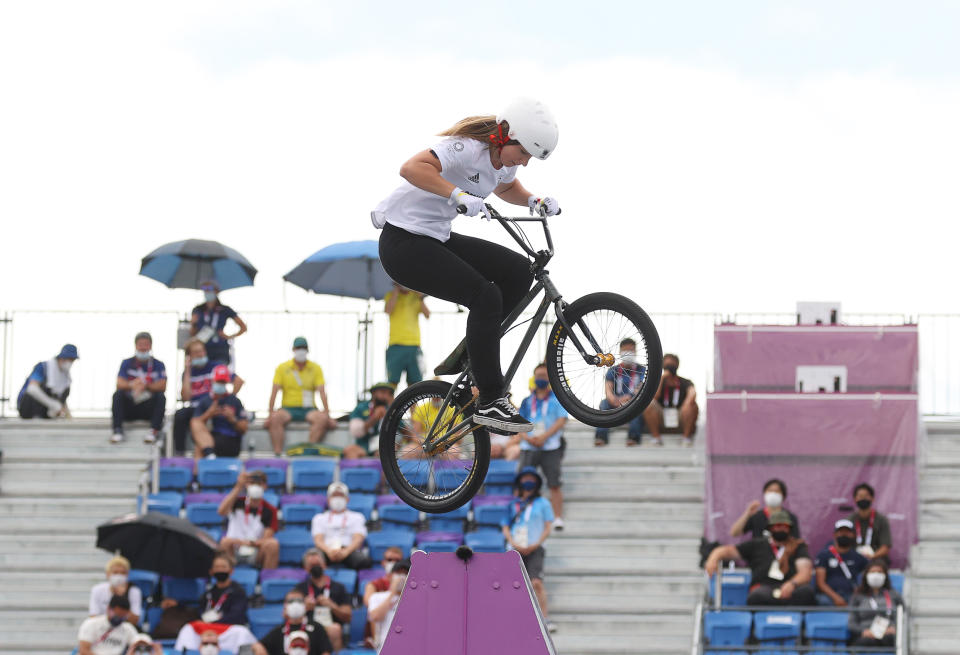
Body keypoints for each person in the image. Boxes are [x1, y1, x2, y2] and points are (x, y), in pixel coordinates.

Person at [373, 98, 560, 434]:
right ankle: (490, 397)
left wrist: (533, 199)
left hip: (435, 238)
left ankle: (476, 364)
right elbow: (411, 168)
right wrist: (456, 194)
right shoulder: (464, 148)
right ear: (505, 136)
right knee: (485, 295)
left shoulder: (505, 162)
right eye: (524, 153)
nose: (525, 162)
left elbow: (504, 186)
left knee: (518, 271)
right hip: (403, 243)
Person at [704, 509, 815, 606]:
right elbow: (727, 551)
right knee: (756, 596)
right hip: (764, 589)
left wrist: (792, 584)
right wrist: (713, 558)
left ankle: (795, 624)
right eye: (777, 526)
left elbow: (805, 573)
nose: (781, 529)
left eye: (784, 526)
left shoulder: (798, 546)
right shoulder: (757, 545)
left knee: (807, 593)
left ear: (790, 528)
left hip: (791, 589)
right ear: (770, 528)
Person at [500, 466, 556, 632]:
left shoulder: (543, 503)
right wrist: (513, 543)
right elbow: (505, 526)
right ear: (519, 482)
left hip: (535, 547)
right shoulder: (513, 504)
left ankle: (545, 619)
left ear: (537, 483)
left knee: (536, 582)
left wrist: (536, 544)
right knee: (512, 584)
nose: (528, 482)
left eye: (531, 478)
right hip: (514, 549)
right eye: (525, 479)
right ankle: (512, 617)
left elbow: (548, 526)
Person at [517, 363, 568, 530]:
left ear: (550, 378)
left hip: (550, 447)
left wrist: (544, 437)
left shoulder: (556, 399)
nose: (541, 379)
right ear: (533, 378)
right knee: (523, 483)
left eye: (544, 376)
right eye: (538, 376)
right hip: (528, 447)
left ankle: (557, 518)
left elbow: (561, 420)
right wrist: (529, 438)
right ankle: (521, 517)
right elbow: (519, 423)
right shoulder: (526, 401)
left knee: (554, 483)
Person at [265, 337, 338, 455]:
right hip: (288, 408)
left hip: (309, 409)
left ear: (307, 350)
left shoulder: (316, 368)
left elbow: (322, 393)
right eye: (299, 348)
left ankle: (308, 451)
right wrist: (270, 414)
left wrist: (327, 415)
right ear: (293, 349)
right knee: (275, 419)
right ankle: (278, 453)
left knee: (321, 419)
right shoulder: (282, 368)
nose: (301, 350)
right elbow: (274, 392)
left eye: (303, 348)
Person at [173, 339, 245, 456]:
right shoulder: (188, 373)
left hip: (213, 404)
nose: (200, 354)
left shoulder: (216, 367)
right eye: (196, 352)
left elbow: (238, 381)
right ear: (189, 356)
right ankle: (179, 452)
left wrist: (229, 399)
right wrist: (187, 370)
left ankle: (209, 450)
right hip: (196, 408)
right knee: (181, 415)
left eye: (202, 351)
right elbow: (186, 397)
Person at [160, 551, 248, 625]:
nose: (220, 570)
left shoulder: (238, 592)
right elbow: (198, 610)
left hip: (229, 628)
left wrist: (214, 622)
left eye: (223, 567)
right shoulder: (209, 593)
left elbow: (236, 615)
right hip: (208, 628)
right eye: (217, 567)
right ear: (211, 572)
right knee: (188, 629)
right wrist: (178, 605)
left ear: (231, 571)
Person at [111, 332, 167, 444]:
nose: (143, 348)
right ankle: (117, 430)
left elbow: (162, 385)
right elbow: (119, 384)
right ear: (135, 346)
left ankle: (153, 431)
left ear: (150, 346)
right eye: (140, 344)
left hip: (147, 408)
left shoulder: (158, 364)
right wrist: (133, 384)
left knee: (161, 397)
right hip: (131, 406)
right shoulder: (126, 363)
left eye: (146, 344)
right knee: (118, 395)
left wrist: (145, 385)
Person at [217, 471, 280, 569]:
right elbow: (221, 512)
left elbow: (267, 537)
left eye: (259, 484)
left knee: (273, 544)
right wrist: (238, 487)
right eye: (252, 483)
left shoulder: (270, 510)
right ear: (247, 485)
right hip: (234, 547)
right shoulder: (236, 502)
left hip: (255, 549)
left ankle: (267, 578)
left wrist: (251, 543)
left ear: (265, 486)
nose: (255, 486)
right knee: (225, 542)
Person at [293, 549, 352, 651]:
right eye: (312, 565)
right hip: (307, 626)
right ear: (306, 568)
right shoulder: (300, 589)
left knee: (335, 629)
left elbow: (348, 616)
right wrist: (303, 608)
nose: (316, 567)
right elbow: (288, 615)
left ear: (324, 565)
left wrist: (332, 606)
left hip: (330, 626)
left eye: (318, 564)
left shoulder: (338, 587)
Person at [594, 339, 647, 446]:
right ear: (620, 352)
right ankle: (601, 436)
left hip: (632, 401)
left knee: (638, 406)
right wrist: (612, 399)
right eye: (625, 350)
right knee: (604, 404)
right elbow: (608, 388)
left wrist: (629, 398)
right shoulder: (613, 370)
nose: (628, 353)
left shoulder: (642, 370)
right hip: (615, 402)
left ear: (635, 352)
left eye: (630, 350)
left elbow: (641, 388)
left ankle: (633, 437)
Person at [190, 365, 249, 460]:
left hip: (231, 441)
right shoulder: (205, 401)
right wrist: (209, 414)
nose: (221, 384)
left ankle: (209, 455)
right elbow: (195, 425)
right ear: (213, 381)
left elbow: (244, 428)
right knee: (199, 443)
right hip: (211, 439)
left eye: (223, 382)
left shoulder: (234, 401)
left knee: (200, 447)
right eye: (219, 381)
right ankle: (209, 457)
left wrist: (232, 419)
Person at [310, 482, 372, 569]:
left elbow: (358, 539)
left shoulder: (357, 517)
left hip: (348, 551)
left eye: (341, 495)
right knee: (310, 559)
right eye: (334, 495)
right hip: (326, 550)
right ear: (328, 499)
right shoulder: (319, 518)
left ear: (347, 499)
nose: (337, 498)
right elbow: (318, 540)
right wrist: (329, 551)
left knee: (364, 561)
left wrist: (345, 552)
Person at [253, 589, 333, 655]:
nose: (295, 604)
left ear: (305, 604)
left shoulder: (317, 628)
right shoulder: (279, 630)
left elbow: (326, 651)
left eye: (299, 601)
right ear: (285, 605)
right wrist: (259, 648)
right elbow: (258, 645)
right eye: (291, 601)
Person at [642, 353, 698, 446]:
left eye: (672, 365)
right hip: (662, 418)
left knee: (692, 405)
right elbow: (654, 397)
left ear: (677, 365)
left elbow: (693, 393)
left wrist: (686, 404)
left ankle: (686, 438)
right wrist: (662, 378)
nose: (669, 367)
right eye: (666, 365)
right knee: (649, 403)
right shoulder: (659, 382)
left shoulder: (685, 382)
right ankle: (656, 438)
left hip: (680, 417)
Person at [848, 559, 903, 648]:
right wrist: (863, 631)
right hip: (865, 635)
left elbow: (902, 617)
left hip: (888, 635)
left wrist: (893, 628)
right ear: (866, 575)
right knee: (863, 642)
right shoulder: (857, 596)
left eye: (880, 572)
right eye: (873, 572)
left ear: (885, 575)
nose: (876, 575)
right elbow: (851, 623)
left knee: (890, 640)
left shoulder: (894, 594)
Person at [384, 282, 430, 388]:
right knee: (392, 383)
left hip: (414, 345)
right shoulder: (390, 295)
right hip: (395, 344)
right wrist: (396, 291)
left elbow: (427, 314)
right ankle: (392, 405)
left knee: (414, 384)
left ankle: (412, 405)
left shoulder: (416, 297)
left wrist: (419, 295)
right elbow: (388, 311)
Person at [190, 280, 247, 366]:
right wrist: (193, 324)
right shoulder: (198, 309)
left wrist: (229, 336)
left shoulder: (224, 309)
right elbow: (192, 333)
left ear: (216, 291)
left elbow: (243, 327)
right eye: (204, 288)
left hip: (220, 349)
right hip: (202, 349)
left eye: (209, 288)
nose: (207, 291)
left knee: (219, 374)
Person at [814, 519, 869, 606]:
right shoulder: (823, 555)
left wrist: (859, 589)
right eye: (841, 532)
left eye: (847, 532)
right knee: (823, 601)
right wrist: (836, 597)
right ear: (834, 534)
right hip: (828, 596)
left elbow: (868, 575)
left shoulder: (859, 557)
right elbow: (820, 583)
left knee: (863, 602)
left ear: (853, 535)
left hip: (851, 595)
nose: (844, 534)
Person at [17, 343, 78, 419]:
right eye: (69, 359)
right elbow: (32, 389)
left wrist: (69, 417)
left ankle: (47, 415)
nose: (70, 363)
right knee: (39, 388)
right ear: (62, 358)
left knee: (66, 390)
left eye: (72, 360)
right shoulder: (43, 367)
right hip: (27, 407)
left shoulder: (66, 378)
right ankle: (36, 415)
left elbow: (62, 399)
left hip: (46, 412)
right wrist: (52, 404)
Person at [729, 478, 802, 539]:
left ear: (783, 495)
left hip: (783, 554)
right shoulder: (756, 515)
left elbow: (796, 541)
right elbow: (734, 533)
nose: (773, 494)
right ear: (764, 494)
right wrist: (747, 514)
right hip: (758, 555)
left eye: (777, 491)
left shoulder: (790, 517)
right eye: (770, 491)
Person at [366, 558, 411, 650]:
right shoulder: (377, 597)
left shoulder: (418, 598)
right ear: (390, 576)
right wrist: (392, 592)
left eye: (405, 574)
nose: (402, 577)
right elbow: (375, 616)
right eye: (398, 573)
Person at [342, 382, 394, 459]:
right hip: (363, 447)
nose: (386, 396)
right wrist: (374, 419)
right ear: (373, 393)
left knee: (385, 452)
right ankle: (357, 471)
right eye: (383, 392)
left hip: (384, 448)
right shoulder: (361, 407)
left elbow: (405, 431)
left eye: (389, 394)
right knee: (350, 450)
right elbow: (355, 432)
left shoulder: (392, 410)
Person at [89, 556, 142, 625]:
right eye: (115, 572)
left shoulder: (134, 591)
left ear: (127, 575)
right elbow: (93, 617)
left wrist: (122, 597)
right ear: (108, 574)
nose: (119, 576)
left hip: (125, 629)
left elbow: (135, 620)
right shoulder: (97, 590)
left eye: (123, 573)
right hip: (102, 628)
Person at [847, 482, 892, 562]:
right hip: (854, 559)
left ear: (872, 498)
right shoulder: (849, 521)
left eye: (866, 496)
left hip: (876, 558)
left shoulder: (881, 520)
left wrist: (872, 556)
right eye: (860, 496)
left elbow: (885, 547)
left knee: (877, 568)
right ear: (855, 499)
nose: (863, 499)